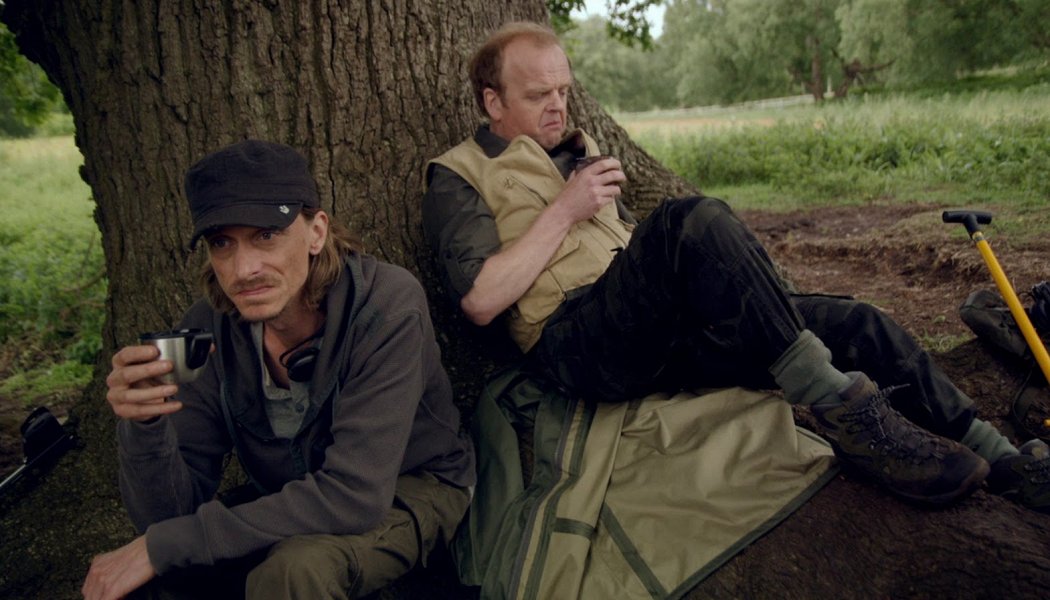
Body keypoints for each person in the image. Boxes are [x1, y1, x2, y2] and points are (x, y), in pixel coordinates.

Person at [422, 21, 1049, 512]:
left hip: (657, 332)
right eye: (539, 95)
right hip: (574, 344)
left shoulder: (579, 152)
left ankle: (1001, 458)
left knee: (854, 322)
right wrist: (565, 209)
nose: (559, 106)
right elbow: (480, 300)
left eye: (563, 90)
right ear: (492, 101)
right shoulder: (459, 174)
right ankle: (846, 413)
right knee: (687, 218)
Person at [82, 140, 475, 600]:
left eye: (266, 235)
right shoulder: (209, 330)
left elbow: (356, 494)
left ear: (316, 232)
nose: (244, 268)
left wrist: (169, 544)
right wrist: (146, 425)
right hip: (295, 496)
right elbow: (167, 518)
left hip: (412, 486)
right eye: (222, 243)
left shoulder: (386, 305)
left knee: (293, 572)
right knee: (151, 575)